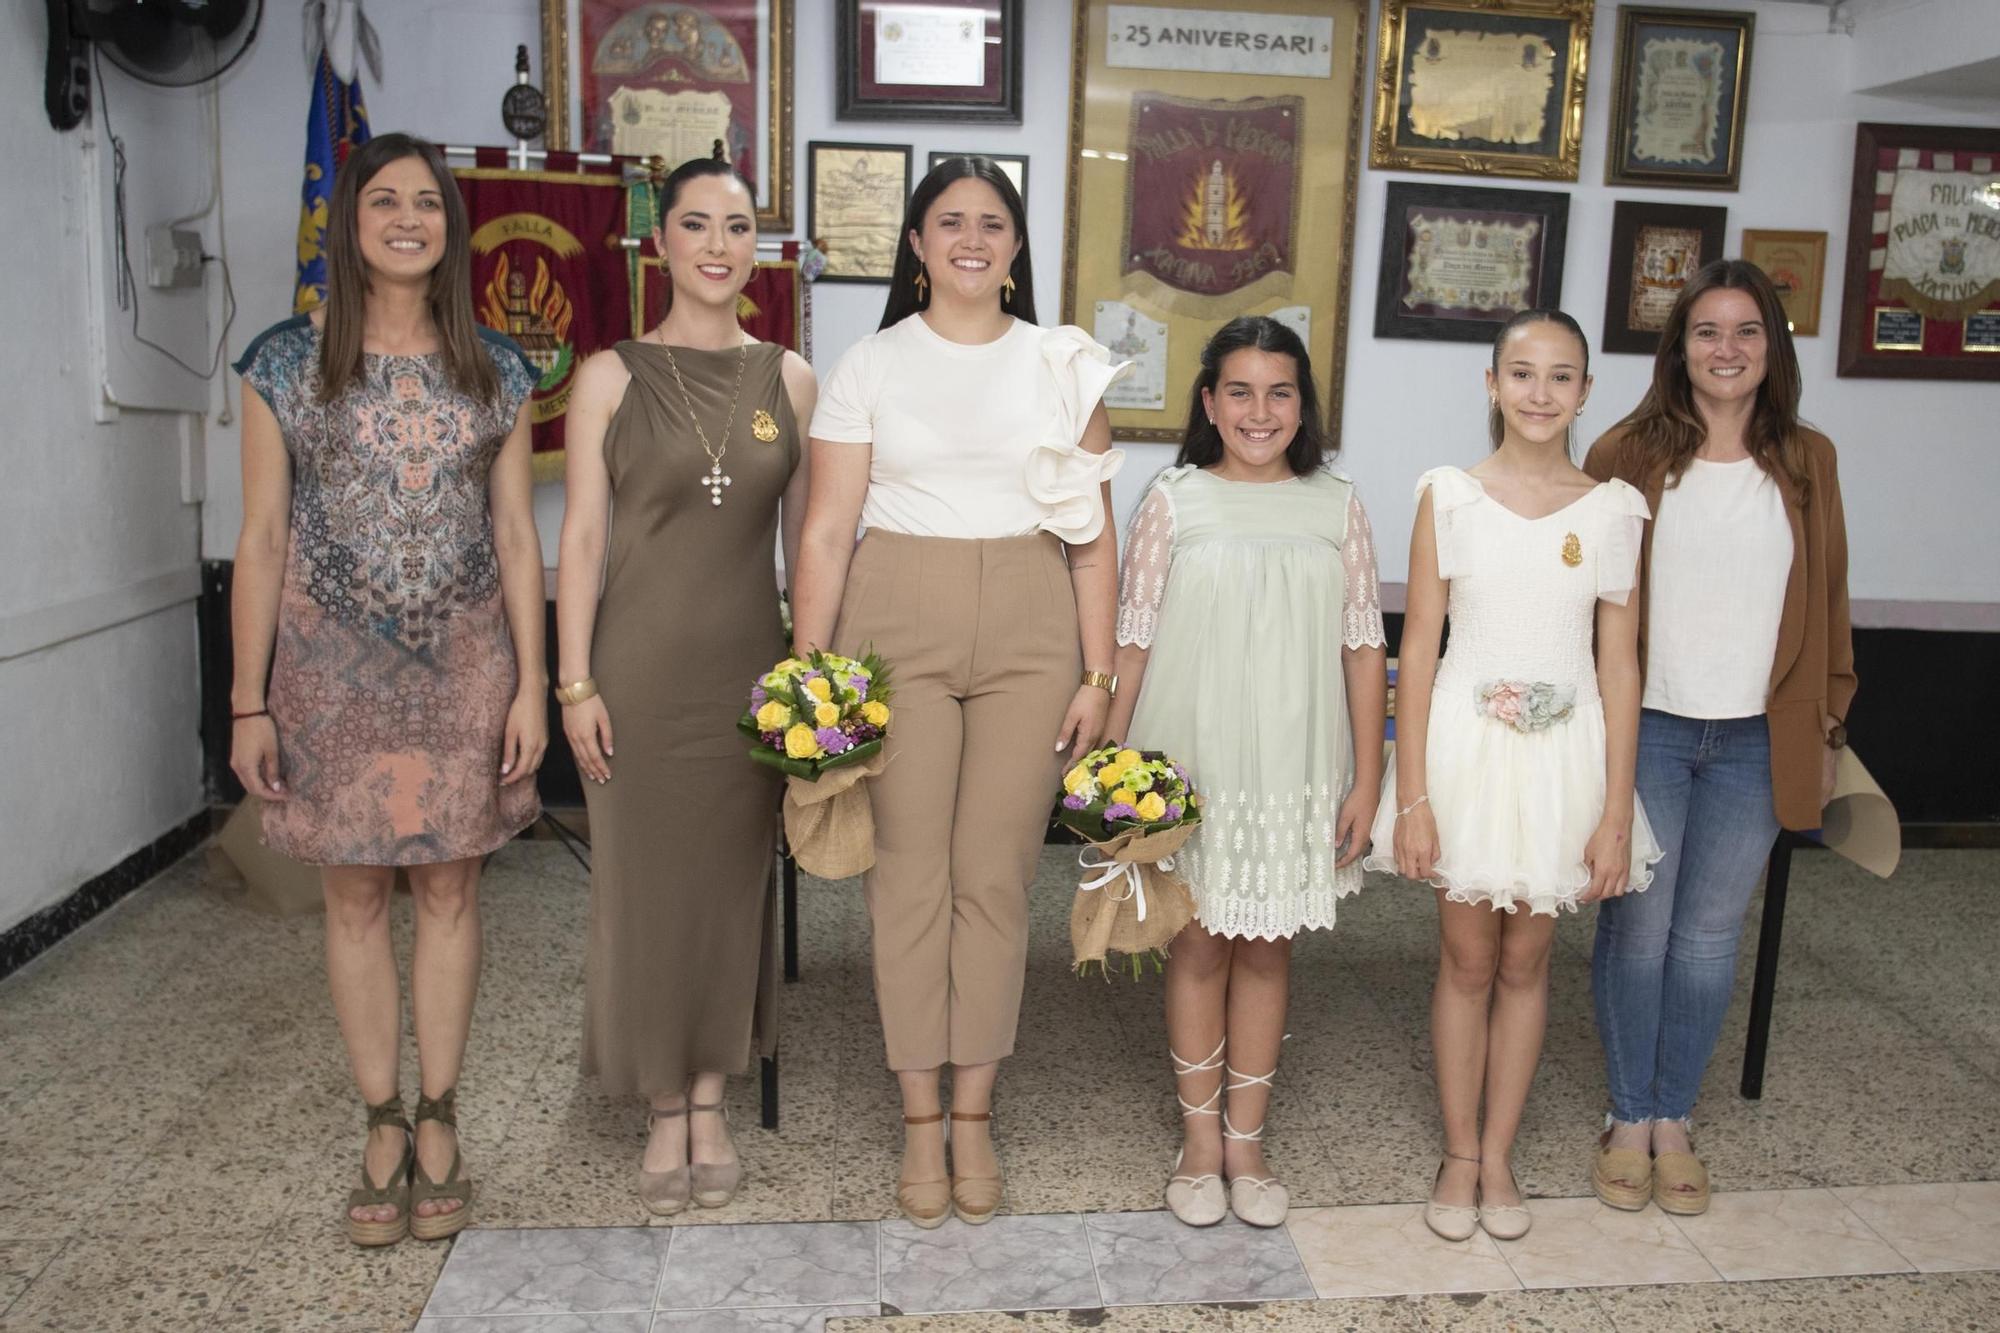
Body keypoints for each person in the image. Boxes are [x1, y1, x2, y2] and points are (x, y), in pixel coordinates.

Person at [790, 156, 1127, 1228]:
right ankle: (916, 1118)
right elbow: (826, 530)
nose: (971, 238)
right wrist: (814, 679)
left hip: (1032, 621)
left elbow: (1091, 541)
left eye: (992, 222)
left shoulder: (1063, 365)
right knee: (910, 876)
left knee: (992, 874)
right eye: (949, 222)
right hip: (898, 617)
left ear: (1016, 246)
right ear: (916, 244)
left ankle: (973, 1115)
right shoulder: (869, 366)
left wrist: (1097, 673)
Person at [229, 133, 546, 1246]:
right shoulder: (285, 363)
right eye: (384, 200)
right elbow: (262, 538)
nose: (406, 218)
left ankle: (441, 1115)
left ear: (452, 226)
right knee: (355, 898)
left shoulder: (497, 368)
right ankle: (379, 1122)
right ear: (350, 222)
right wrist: (247, 700)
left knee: (452, 895)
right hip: (327, 676)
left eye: (427, 202)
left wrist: (533, 685)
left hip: (464, 671)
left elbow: (516, 534)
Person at [1364, 309, 1661, 1243]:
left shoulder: (1613, 508)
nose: (1540, 392)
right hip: (1465, 749)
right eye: (1522, 373)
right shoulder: (1448, 495)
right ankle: (1458, 1151)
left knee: (1529, 962)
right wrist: (1408, 795)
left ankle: (1500, 1154)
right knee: (1466, 958)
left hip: (1565, 754)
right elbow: (1418, 644)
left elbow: (1619, 663)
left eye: (1561, 375)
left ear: (1584, 391)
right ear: (1490, 385)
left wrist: (1616, 809)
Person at [555, 152, 815, 1215]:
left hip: (750, 674)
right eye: (697, 224)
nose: (717, 244)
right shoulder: (607, 376)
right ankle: (664, 1104)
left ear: (757, 245)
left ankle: (712, 1093)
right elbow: (577, 538)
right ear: (658, 241)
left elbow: (812, 549)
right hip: (636, 669)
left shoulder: (789, 378)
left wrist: (816, 690)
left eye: (737, 226)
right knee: (642, 888)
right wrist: (573, 684)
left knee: (728, 888)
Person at [1584, 260, 1855, 1216]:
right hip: (1647, 729)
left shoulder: (1807, 459)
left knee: (1704, 941)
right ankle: (1625, 1116)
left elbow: (1828, 599)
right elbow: (1582, 592)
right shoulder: (1626, 451)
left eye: (1747, 331)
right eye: (1707, 331)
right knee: (1640, 928)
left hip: (1756, 738)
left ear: (1772, 347)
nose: (1727, 349)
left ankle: (1672, 1117)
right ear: (1679, 347)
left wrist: (1830, 719)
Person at [1105, 316, 1388, 1229]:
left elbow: (1361, 652)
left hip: (1298, 764)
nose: (1259, 411)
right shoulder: (1174, 500)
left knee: (1269, 944)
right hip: (1193, 760)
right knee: (1196, 943)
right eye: (1239, 391)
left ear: (1302, 406)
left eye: (1280, 392)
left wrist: (1369, 779)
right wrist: (1109, 772)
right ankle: (1197, 1139)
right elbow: (1134, 641)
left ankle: (1247, 1140)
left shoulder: (1337, 504)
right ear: (1208, 403)